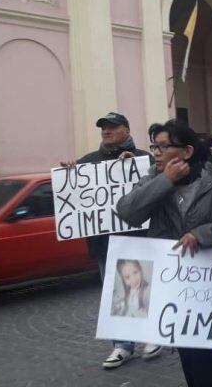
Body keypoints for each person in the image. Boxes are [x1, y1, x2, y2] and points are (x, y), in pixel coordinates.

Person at [116, 119, 212, 386]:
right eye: (154, 147)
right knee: (187, 352)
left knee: (204, 355)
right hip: (170, 282)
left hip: (206, 283)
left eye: (164, 146)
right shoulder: (153, 178)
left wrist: (202, 235)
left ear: (187, 151)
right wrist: (165, 181)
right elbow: (127, 212)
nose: (157, 153)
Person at [59, 112, 158, 368]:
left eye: (112, 127)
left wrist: (134, 162)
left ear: (126, 130)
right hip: (105, 243)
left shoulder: (144, 158)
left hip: (138, 237)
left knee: (142, 288)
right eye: (103, 127)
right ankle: (122, 345)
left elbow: (156, 189)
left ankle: (151, 336)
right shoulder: (88, 163)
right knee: (115, 293)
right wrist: (69, 172)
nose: (106, 131)